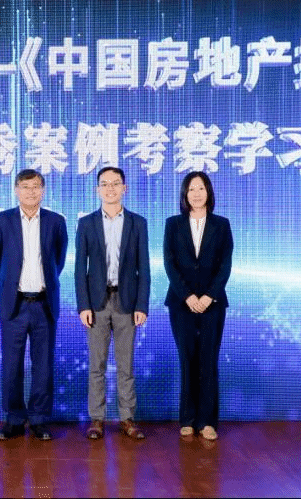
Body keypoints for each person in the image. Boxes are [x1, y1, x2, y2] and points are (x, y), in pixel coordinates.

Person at [0, 169, 68, 441]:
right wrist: (10, 286)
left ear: (43, 190)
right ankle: (14, 419)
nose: (31, 192)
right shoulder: (2, 220)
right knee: (12, 365)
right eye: (25, 187)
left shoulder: (56, 222)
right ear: (16, 190)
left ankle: (39, 419)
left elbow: (58, 260)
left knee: (43, 365)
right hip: (14, 304)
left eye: (36, 187)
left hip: (44, 303)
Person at [75, 166, 150, 440]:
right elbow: (79, 268)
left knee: (125, 365)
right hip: (96, 303)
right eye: (105, 184)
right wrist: (83, 305)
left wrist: (141, 305)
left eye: (115, 183)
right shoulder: (86, 223)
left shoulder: (138, 223)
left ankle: (127, 418)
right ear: (98, 190)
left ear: (124, 188)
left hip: (126, 302)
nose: (110, 188)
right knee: (97, 365)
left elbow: (144, 268)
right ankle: (97, 419)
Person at [163, 171, 233, 441]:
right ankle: (187, 419)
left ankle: (207, 421)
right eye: (191, 189)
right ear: (185, 194)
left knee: (208, 359)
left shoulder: (222, 225)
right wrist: (188, 296)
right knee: (187, 359)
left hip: (212, 303)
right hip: (181, 303)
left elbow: (225, 265)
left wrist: (208, 296)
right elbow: (170, 263)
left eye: (201, 188)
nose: (196, 193)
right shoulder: (173, 224)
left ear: (209, 192)